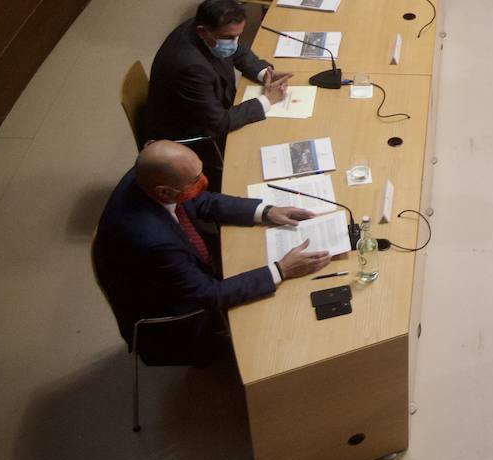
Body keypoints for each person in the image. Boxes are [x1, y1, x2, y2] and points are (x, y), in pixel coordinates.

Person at [92, 141, 332, 365]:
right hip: (176, 320)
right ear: (164, 192)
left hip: (181, 274)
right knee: (277, 345)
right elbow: (208, 295)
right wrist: (282, 269)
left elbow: (200, 201)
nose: (204, 181)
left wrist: (266, 211)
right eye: (195, 180)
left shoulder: (148, 176)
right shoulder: (153, 240)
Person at [145, 0, 291, 183]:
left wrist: (264, 73)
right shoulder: (190, 66)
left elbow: (236, 50)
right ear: (203, 31)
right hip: (186, 130)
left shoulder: (205, 27)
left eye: (238, 35)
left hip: (203, 106)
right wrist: (266, 100)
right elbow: (218, 123)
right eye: (229, 37)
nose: (234, 42)